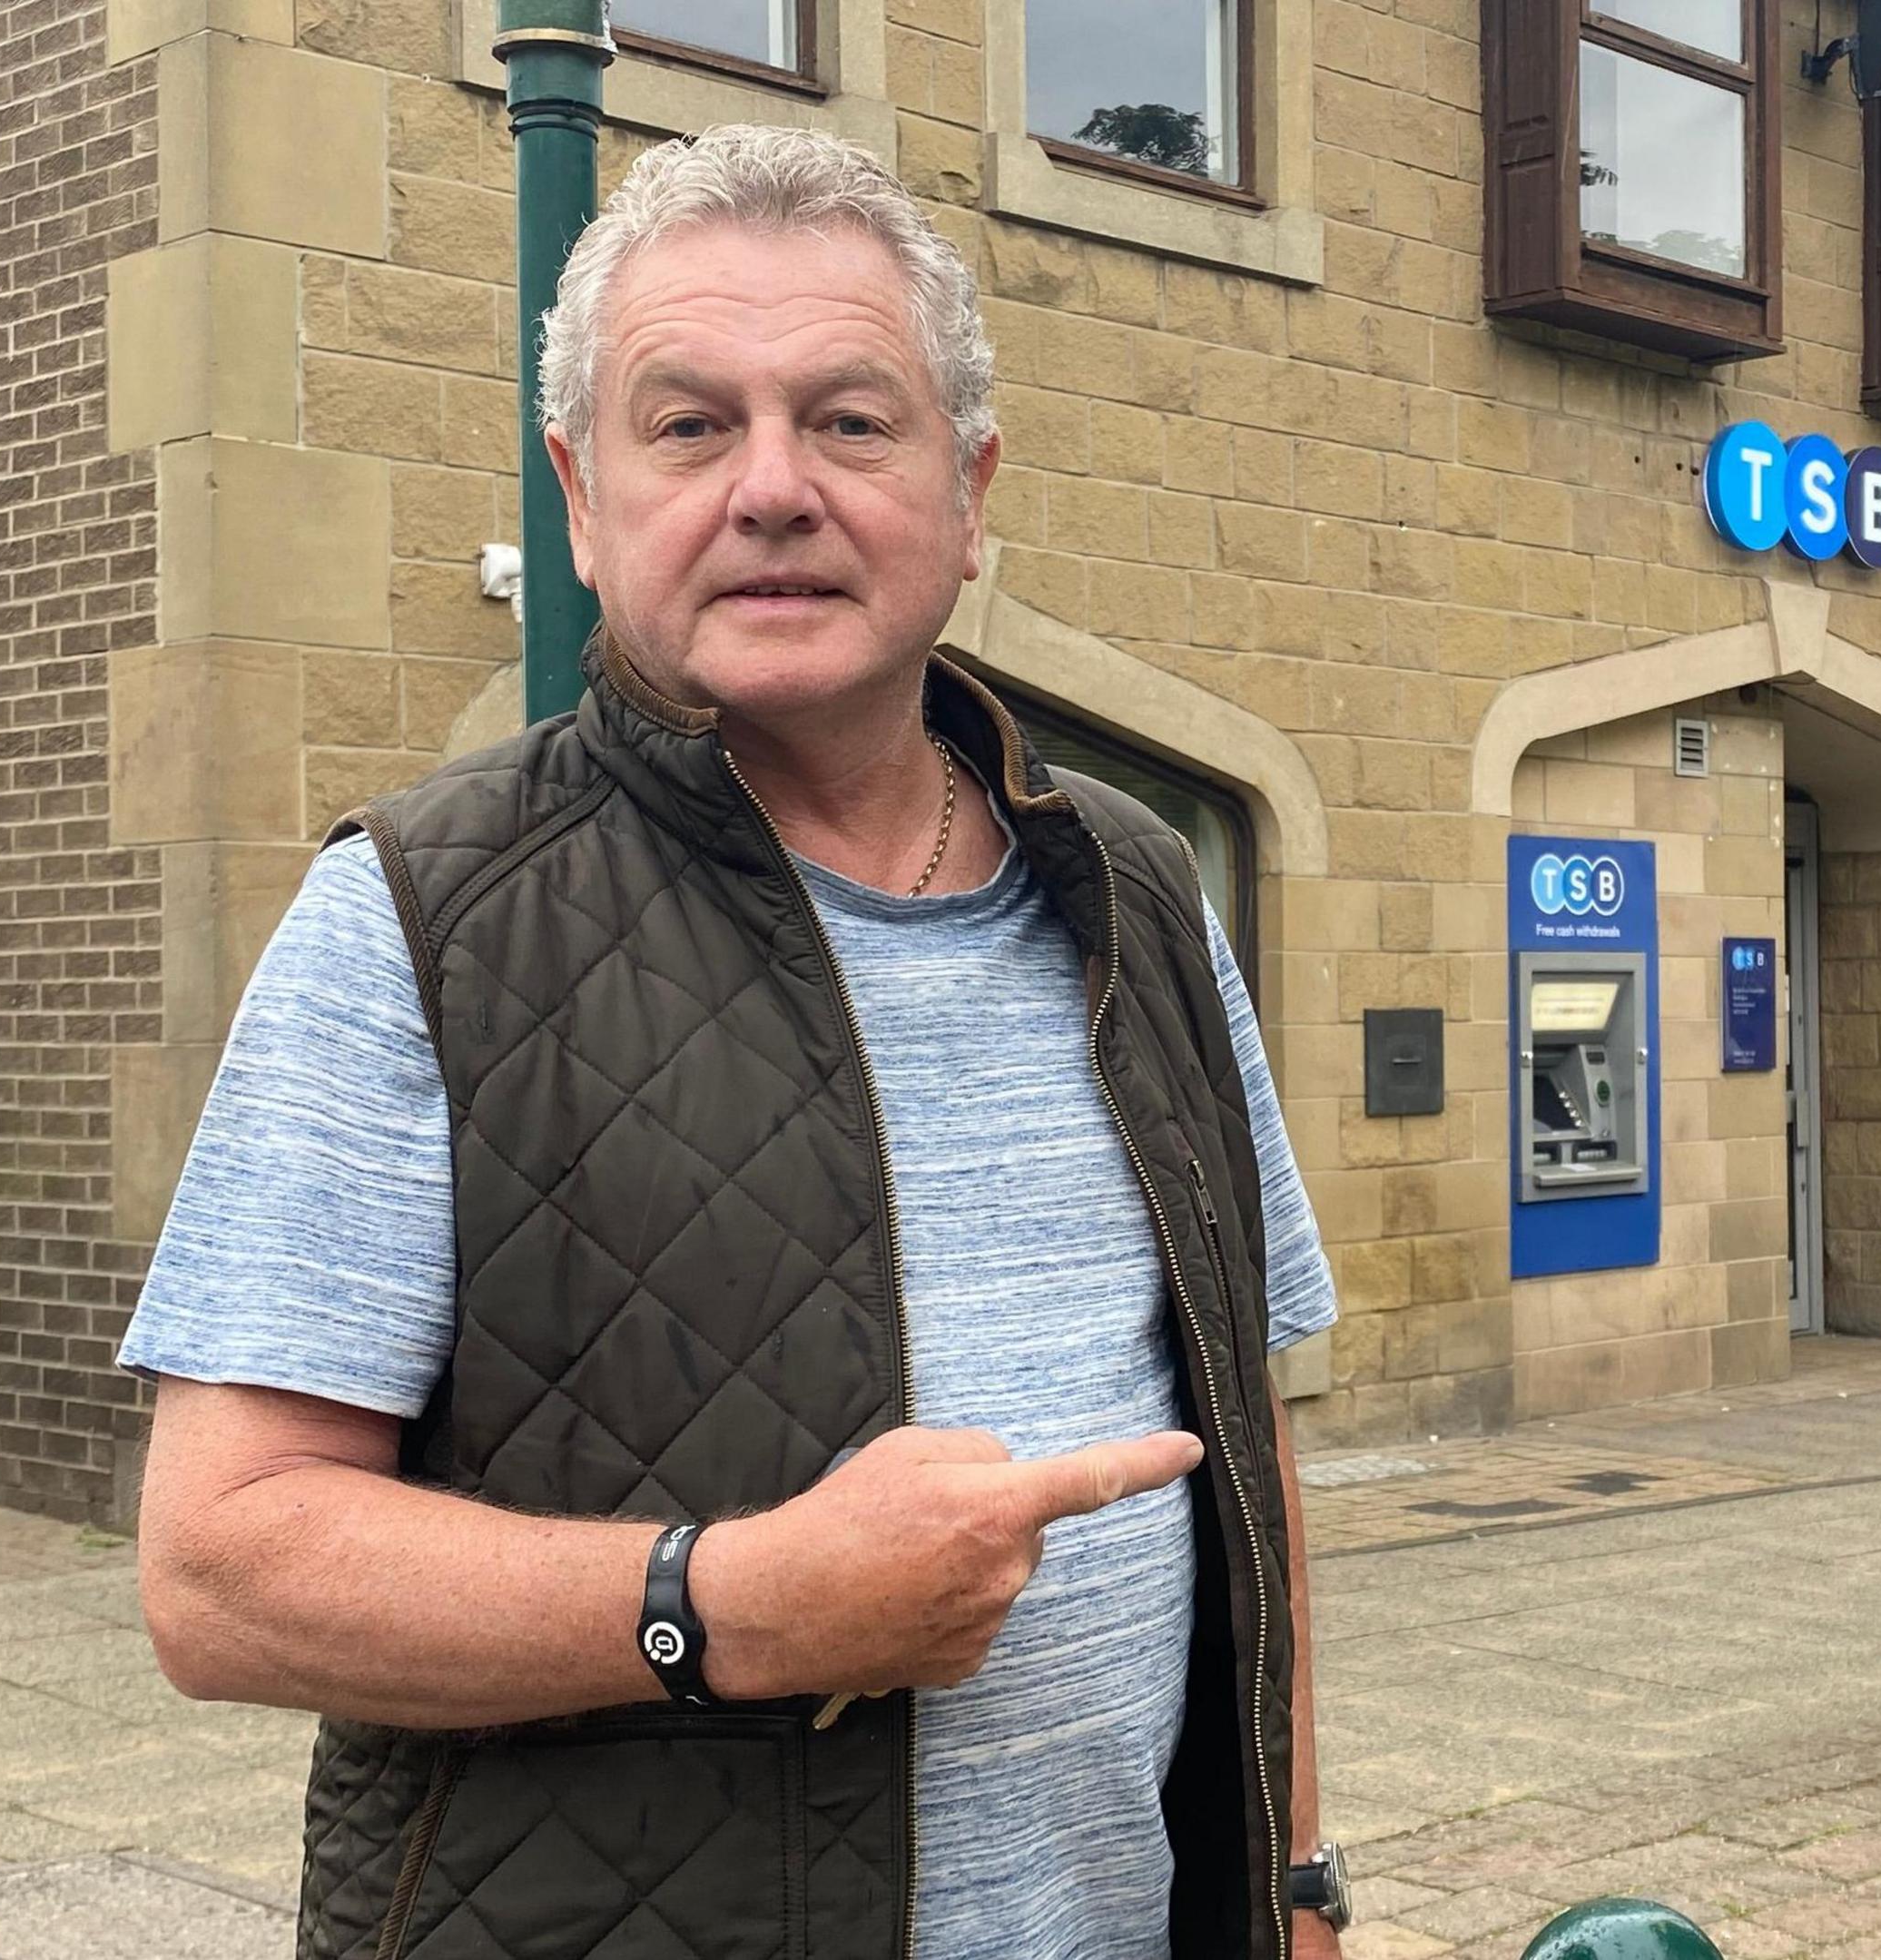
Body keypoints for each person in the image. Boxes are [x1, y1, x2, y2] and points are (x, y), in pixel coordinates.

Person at [119, 124, 1346, 1960]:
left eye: (850, 420)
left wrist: (1300, 1887)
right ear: (583, 494)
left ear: (970, 482)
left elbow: (1243, 1450)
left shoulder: (1142, 892)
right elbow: (220, 1576)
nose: (774, 486)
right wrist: (734, 1604)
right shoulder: (419, 917)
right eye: (689, 424)